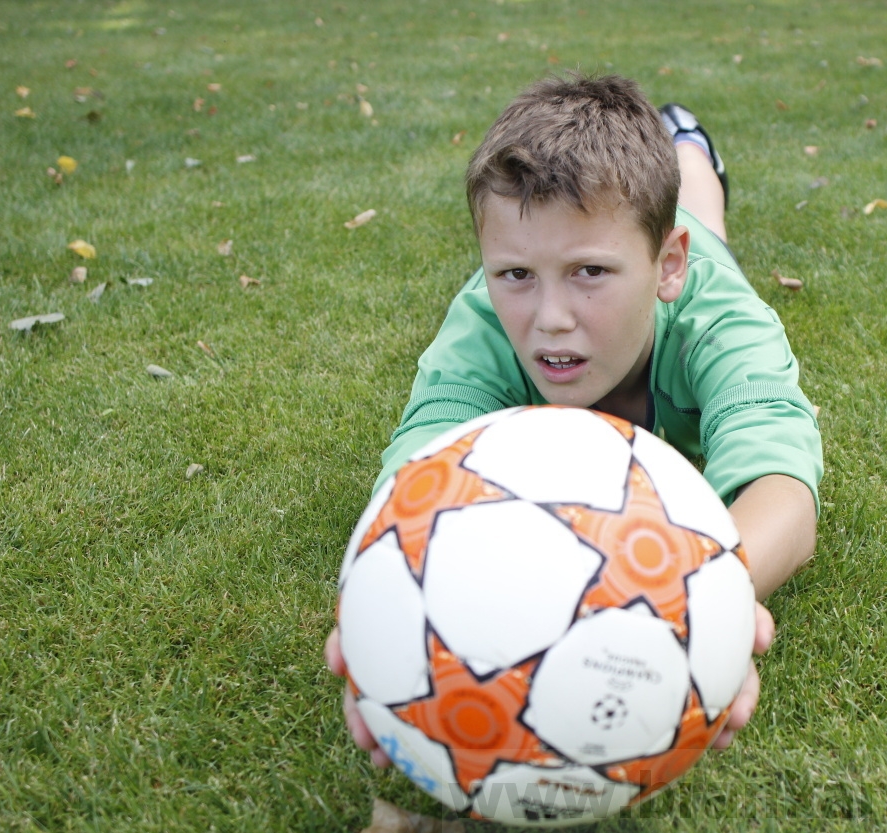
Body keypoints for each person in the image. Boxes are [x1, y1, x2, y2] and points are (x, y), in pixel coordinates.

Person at [324, 74, 823, 766]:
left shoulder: (720, 321)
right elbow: (412, 482)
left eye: (590, 271)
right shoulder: (482, 328)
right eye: (515, 274)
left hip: (697, 253)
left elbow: (784, 492)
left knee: (702, 216)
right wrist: (385, 612)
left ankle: (685, 141)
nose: (550, 318)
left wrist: (704, 611)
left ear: (666, 267)